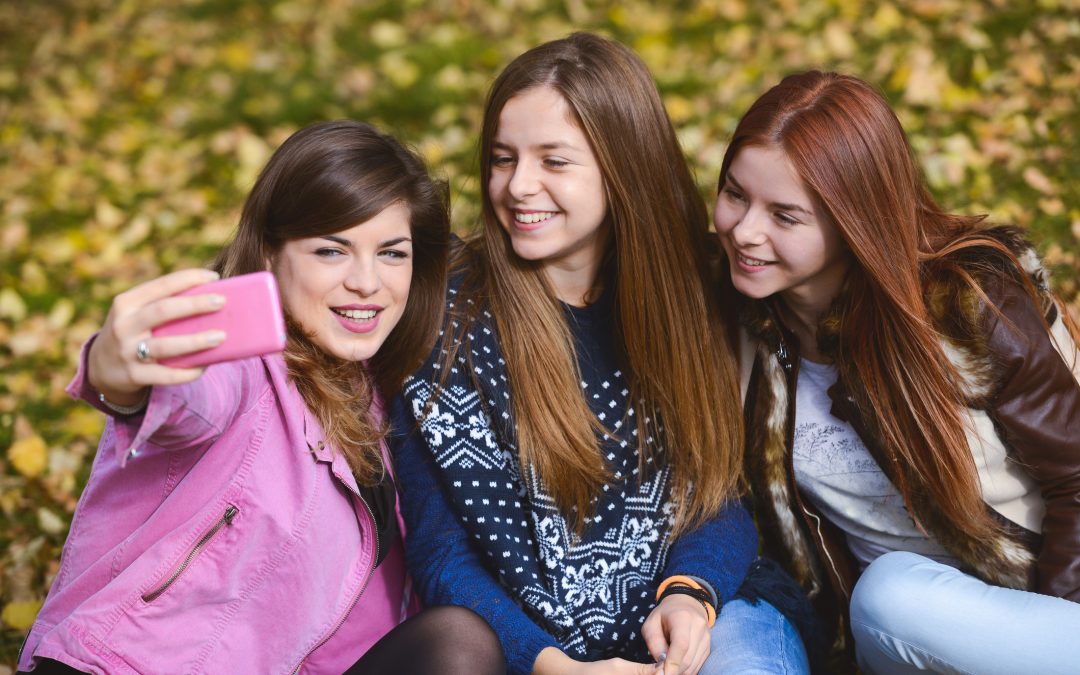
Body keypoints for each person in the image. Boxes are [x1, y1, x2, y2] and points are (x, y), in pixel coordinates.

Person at [391, 33, 815, 675]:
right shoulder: (441, 312)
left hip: (708, 607)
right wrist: (553, 666)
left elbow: (718, 495)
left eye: (553, 161)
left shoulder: (695, 291)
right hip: (528, 648)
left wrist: (689, 596)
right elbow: (442, 550)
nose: (518, 186)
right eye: (503, 159)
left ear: (622, 166)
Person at [17, 120, 505, 675]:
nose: (367, 282)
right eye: (331, 251)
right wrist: (118, 369)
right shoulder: (242, 362)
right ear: (271, 256)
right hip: (126, 668)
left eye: (392, 254)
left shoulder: (382, 402)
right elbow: (185, 393)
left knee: (455, 643)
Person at [718, 70, 1080, 674]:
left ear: (853, 222)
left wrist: (1038, 633)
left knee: (892, 592)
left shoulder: (968, 305)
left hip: (1033, 613)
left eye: (785, 216)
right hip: (889, 646)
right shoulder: (732, 315)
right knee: (887, 600)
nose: (744, 231)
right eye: (734, 194)